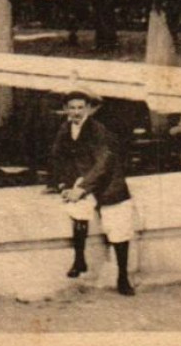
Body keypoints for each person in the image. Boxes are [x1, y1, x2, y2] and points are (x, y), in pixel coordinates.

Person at [50, 87, 138, 295]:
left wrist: (81, 187)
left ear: (88, 109)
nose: (76, 112)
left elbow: (103, 163)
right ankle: (80, 260)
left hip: (109, 183)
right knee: (77, 212)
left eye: (81, 107)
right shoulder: (65, 129)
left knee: (118, 229)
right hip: (86, 181)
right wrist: (64, 184)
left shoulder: (98, 130)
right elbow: (57, 158)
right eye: (72, 108)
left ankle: (123, 277)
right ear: (65, 109)